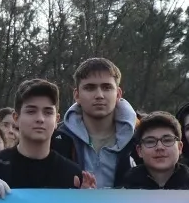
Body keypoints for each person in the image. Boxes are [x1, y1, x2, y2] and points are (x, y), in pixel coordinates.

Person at [50, 57, 140, 188]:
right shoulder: (57, 139)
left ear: (118, 94)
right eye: (90, 88)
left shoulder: (140, 139)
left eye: (107, 87)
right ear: (77, 95)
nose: (99, 95)